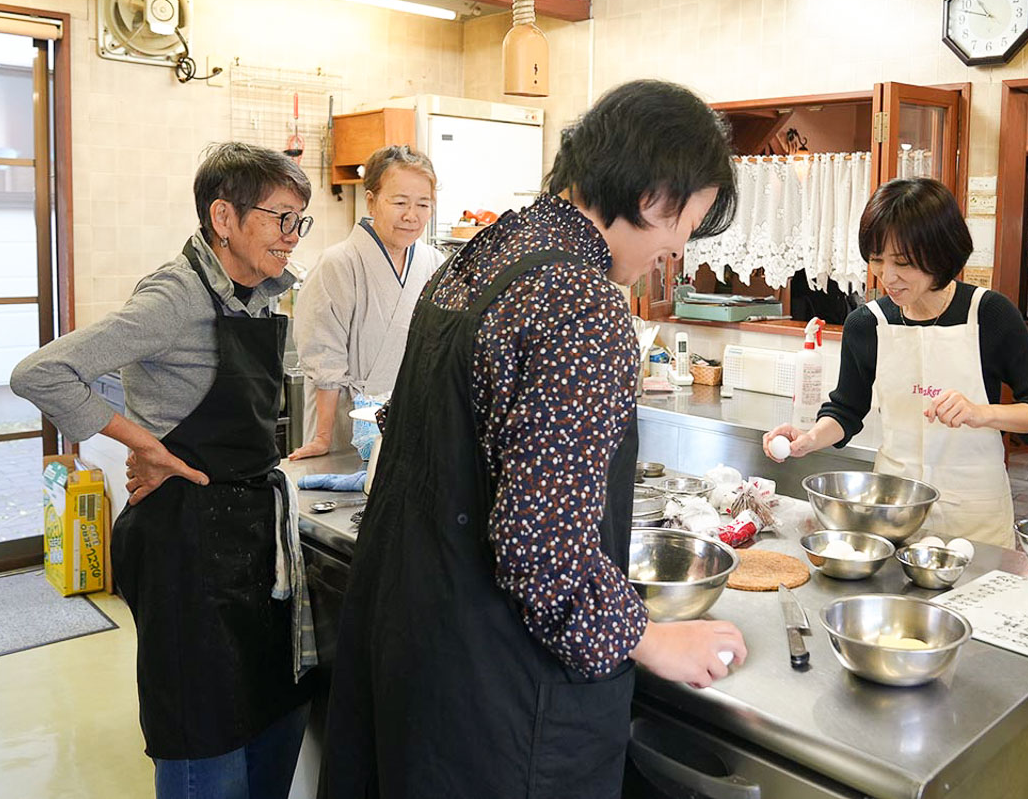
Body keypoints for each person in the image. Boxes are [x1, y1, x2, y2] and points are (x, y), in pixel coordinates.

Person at [321, 80, 748, 799]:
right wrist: (649, 639)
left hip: (411, 646)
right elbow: (540, 545)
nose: (677, 248)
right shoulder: (581, 304)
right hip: (504, 700)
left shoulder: (480, 254)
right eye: (688, 223)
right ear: (652, 199)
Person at [12, 143, 317, 799]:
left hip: (253, 534)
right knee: (201, 728)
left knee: (276, 711)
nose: (292, 237)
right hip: (188, 544)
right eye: (280, 219)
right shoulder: (176, 294)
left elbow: (146, 378)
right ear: (224, 217)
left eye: (300, 222)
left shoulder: (260, 289)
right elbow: (42, 373)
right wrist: (145, 445)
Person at [764, 177, 1028, 548]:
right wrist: (809, 438)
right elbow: (846, 410)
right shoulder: (867, 324)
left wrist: (983, 413)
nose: (887, 277)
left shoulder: (989, 314)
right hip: (892, 513)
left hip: (976, 519)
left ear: (940, 254)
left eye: (903, 263)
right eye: (877, 259)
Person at [290, 145, 446, 459]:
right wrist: (322, 437)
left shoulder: (434, 263)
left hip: (407, 421)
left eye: (423, 204)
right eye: (400, 202)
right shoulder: (338, 263)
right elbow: (324, 356)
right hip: (342, 424)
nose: (411, 216)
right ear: (371, 201)